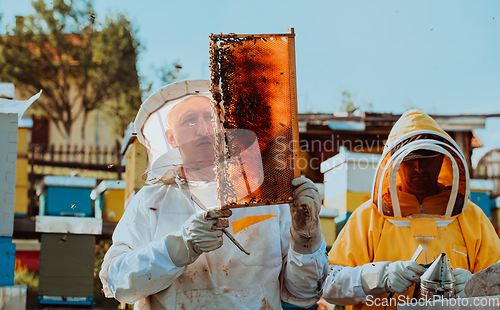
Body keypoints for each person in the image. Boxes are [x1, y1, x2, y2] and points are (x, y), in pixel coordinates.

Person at [99, 80, 328, 309]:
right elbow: (116, 281)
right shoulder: (150, 201)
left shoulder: (266, 198)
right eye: (189, 121)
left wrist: (306, 235)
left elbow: (304, 291)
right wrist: (179, 247)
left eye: (210, 117)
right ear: (171, 138)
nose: (203, 129)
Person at [322, 110, 500, 309]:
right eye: (410, 158)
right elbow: (329, 285)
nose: (419, 167)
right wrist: (379, 277)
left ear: (443, 159)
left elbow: (497, 282)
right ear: (395, 162)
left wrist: (476, 285)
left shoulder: (472, 217)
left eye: (428, 158)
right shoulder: (368, 217)